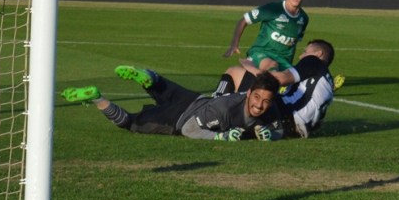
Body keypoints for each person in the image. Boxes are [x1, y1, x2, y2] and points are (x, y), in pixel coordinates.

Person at [61, 66, 283, 141]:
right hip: (178, 118)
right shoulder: (225, 109)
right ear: (248, 93)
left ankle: (148, 76)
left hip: (194, 99)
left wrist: (270, 134)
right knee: (129, 123)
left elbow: (278, 130)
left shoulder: (269, 107)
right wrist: (219, 137)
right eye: (256, 98)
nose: (260, 105)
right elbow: (189, 130)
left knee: (159, 85)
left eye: (266, 101)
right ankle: (97, 97)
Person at [221, 39, 337, 139]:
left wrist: (249, 66)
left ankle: (215, 111)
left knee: (234, 72)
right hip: (295, 129)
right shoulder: (326, 79)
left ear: (318, 54)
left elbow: (279, 79)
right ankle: (250, 127)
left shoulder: (313, 61)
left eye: (305, 52)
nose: (301, 56)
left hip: (284, 117)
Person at [215, 0, 309, 95]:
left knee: (299, 83)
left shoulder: (303, 19)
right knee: (272, 67)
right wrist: (234, 44)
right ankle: (254, 70)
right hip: (262, 53)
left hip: (284, 62)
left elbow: (294, 42)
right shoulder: (273, 9)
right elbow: (243, 20)